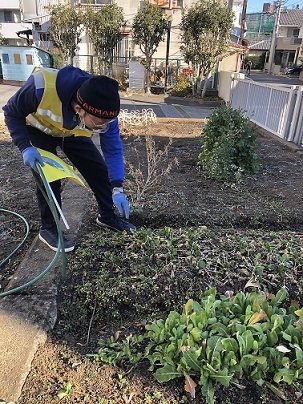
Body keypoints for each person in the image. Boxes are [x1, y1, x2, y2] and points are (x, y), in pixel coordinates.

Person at [3, 66, 136, 253]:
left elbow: (113, 150)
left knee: (98, 170)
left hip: (71, 131)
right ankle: (49, 228)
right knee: (50, 178)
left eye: (108, 122)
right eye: (99, 123)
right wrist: (25, 147)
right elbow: (11, 112)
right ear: (79, 109)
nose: (104, 127)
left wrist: (117, 188)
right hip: (38, 130)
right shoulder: (41, 86)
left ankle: (107, 216)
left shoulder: (102, 107)